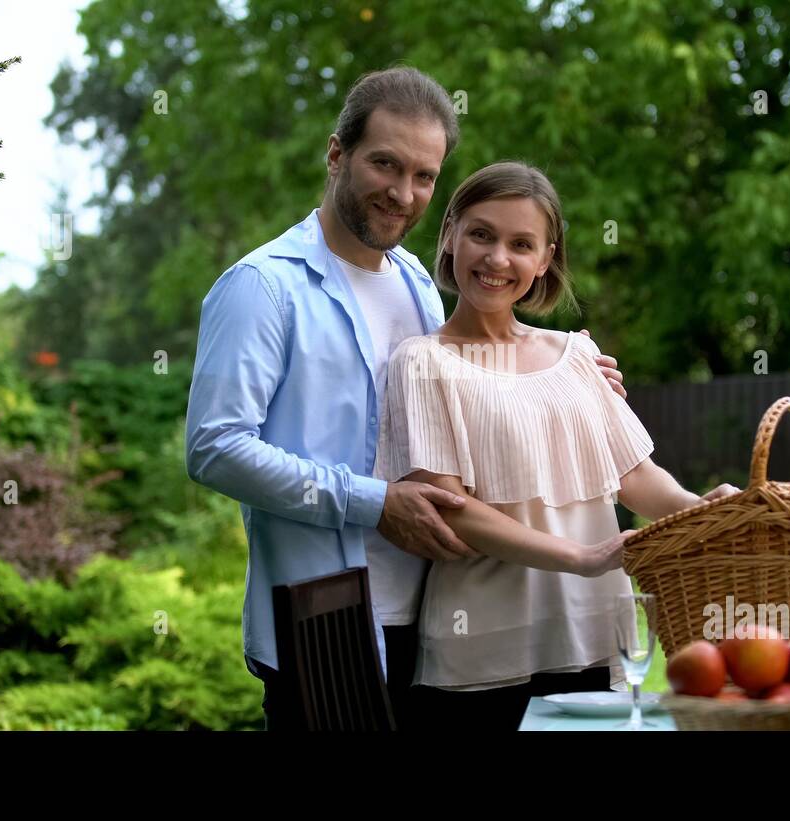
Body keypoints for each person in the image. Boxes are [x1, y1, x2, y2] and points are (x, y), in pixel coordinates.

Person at [184, 67, 633, 730]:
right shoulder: (263, 286)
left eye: (424, 176)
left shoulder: (418, 281)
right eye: (385, 165)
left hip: (434, 618)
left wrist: (572, 379)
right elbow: (214, 448)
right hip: (323, 620)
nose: (403, 193)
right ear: (337, 155)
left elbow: (468, 398)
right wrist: (375, 502)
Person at [375, 161, 738, 731]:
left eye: (522, 244)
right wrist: (584, 558)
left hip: (593, 634)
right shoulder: (422, 361)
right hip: (482, 653)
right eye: (481, 234)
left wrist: (704, 511)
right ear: (450, 236)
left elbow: (637, 478)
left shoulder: (577, 355)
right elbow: (450, 509)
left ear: (545, 260)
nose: (498, 259)